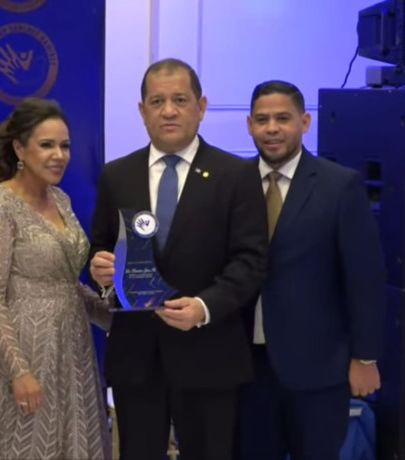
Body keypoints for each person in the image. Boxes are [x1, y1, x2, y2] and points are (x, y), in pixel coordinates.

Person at [88, 58, 268, 460]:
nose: (168, 110)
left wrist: (205, 306)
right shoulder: (117, 175)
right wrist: (100, 269)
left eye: (180, 100)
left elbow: (251, 261)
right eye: (157, 101)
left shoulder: (236, 175)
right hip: (138, 359)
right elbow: (98, 247)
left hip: (210, 351)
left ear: (201, 107)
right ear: (142, 111)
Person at [0, 98, 113, 460]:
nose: (59, 155)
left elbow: (66, 283)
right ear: (19, 148)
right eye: (47, 145)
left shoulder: (61, 199)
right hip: (23, 351)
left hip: (71, 352)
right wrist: (19, 370)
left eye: (65, 145)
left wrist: (117, 318)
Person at [236, 80, 385, 460]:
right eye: (263, 119)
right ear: (249, 125)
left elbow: (364, 279)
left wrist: (365, 358)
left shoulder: (339, 186)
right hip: (245, 367)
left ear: (304, 122)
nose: (272, 128)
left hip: (319, 368)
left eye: (283, 118)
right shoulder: (231, 184)